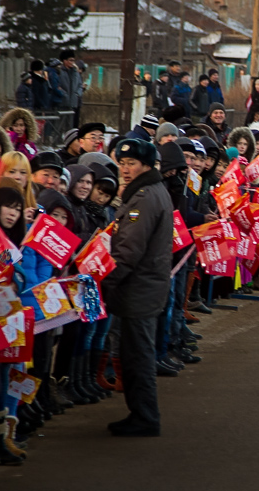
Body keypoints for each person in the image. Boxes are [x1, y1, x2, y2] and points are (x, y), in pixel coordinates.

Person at [102, 139, 173, 437]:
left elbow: (128, 250)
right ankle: (141, 414)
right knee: (135, 353)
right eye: (122, 163)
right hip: (143, 287)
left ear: (145, 165)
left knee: (138, 356)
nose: (125, 169)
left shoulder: (144, 198)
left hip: (139, 289)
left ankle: (145, 417)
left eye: (131, 163)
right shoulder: (149, 192)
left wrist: (103, 282)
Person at [58, 50, 84, 127]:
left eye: (73, 60)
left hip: (74, 104)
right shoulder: (60, 72)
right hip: (63, 104)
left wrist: (77, 94)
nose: (73, 62)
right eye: (70, 60)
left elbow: (80, 85)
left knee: (74, 125)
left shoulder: (76, 73)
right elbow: (57, 86)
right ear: (64, 61)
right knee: (61, 126)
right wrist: (64, 94)